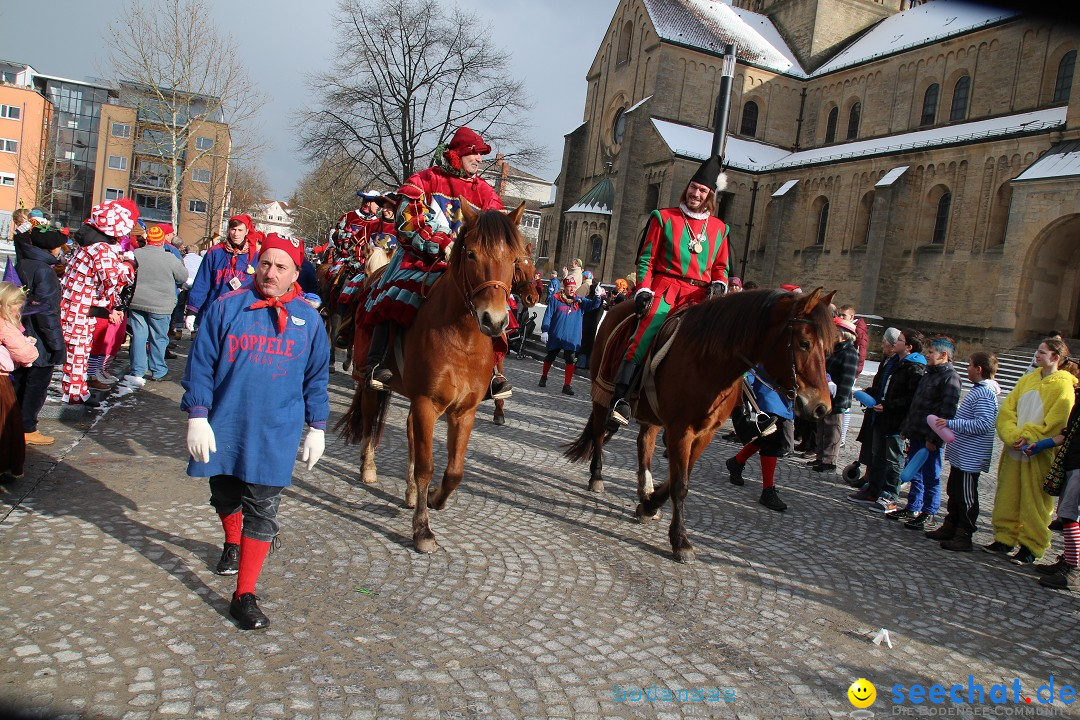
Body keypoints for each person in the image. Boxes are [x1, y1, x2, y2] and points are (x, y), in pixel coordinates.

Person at [181, 233, 329, 630]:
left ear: (296, 274)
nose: (271, 272)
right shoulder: (227, 307)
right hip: (227, 422)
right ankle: (232, 542)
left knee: (262, 509)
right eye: (265, 263)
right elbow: (201, 363)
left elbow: (316, 378)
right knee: (225, 494)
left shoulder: (310, 321)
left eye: (282, 267)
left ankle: (243, 594)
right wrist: (197, 413)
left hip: (276, 429)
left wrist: (317, 426)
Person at [360, 126, 511, 399]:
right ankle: (377, 362)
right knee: (395, 290)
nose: (478, 159)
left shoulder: (487, 193)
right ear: (456, 154)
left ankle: (493, 373)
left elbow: (498, 231)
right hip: (424, 258)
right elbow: (407, 221)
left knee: (497, 300)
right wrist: (441, 244)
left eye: (480, 155)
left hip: (468, 264)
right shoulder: (425, 180)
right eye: (473, 153)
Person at [610, 155, 731, 426]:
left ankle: (746, 408)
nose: (695, 193)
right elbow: (646, 260)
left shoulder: (720, 229)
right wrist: (643, 288)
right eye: (692, 187)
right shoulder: (663, 218)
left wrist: (720, 284)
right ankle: (621, 397)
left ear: (710, 194)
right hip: (666, 290)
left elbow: (721, 267)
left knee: (727, 341)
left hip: (701, 298)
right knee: (646, 331)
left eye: (702, 190)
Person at [986, 337, 1077, 565]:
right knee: (1008, 494)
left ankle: (1031, 545)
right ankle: (1005, 537)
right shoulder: (1026, 380)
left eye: (1041, 352)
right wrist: (1012, 435)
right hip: (1014, 450)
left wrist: (1030, 436)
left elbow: (1058, 423)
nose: (1036, 355)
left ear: (1055, 357)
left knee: (1034, 502)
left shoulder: (1063, 386)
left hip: (1038, 453)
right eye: (1036, 351)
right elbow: (1008, 411)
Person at [59, 199, 138, 405]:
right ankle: (75, 395)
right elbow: (112, 279)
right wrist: (129, 265)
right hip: (80, 308)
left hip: (79, 306)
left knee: (80, 353)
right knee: (78, 353)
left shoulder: (87, 245)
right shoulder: (100, 249)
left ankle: (76, 391)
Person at [925, 351, 1001, 551]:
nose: (967, 369)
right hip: (963, 454)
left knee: (966, 495)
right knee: (955, 491)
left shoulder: (985, 393)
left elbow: (984, 424)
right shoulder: (979, 391)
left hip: (971, 457)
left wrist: (951, 423)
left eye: (969, 365)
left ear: (979, 369)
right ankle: (951, 525)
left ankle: (964, 533)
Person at [895, 335, 962, 529]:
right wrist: (906, 429)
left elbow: (946, 412)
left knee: (930, 475)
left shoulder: (950, 378)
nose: (927, 355)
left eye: (931, 352)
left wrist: (934, 438)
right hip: (916, 432)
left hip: (930, 437)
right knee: (914, 472)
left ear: (944, 355)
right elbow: (917, 404)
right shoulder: (929, 373)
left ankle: (929, 511)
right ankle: (912, 506)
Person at [11, 223, 67, 446]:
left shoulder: (25, 262)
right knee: (36, 384)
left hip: (23, 332)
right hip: (38, 338)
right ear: (52, 248)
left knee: (22, 382)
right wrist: (56, 345)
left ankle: (17, 424)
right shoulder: (44, 271)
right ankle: (27, 427)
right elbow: (47, 311)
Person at [1027, 375, 1080, 590]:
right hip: (1073, 460)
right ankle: (1068, 560)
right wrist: (1044, 443)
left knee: (1070, 515)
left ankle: (1073, 569)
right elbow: (1068, 433)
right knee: (1067, 514)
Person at [871, 329, 927, 516]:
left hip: (897, 421)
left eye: (900, 340)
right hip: (884, 417)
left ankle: (891, 497)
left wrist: (888, 406)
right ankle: (877, 491)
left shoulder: (914, 368)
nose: (896, 342)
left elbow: (910, 398)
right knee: (879, 456)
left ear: (909, 347)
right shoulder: (896, 362)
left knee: (894, 460)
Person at [126, 223, 188, 385]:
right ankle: (158, 371)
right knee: (158, 338)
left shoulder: (137, 254)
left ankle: (137, 370)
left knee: (139, 336)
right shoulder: (169, 258)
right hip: (161, 305)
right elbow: (182, 276)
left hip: (137, 302)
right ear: (162, 241)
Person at [725, 368, 793, 512]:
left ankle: (737, 462)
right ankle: (768, 490)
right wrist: (745, 382)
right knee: (772, 440)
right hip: (768, 393)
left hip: (783, 394)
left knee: (766, 436)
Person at [847, 327, 901, 495]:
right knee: (871, 445)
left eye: (885, 343)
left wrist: (884, 401)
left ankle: (877, 484)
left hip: (884, 411)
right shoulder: (886, 360)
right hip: (875, 407)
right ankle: (869, 480)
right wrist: (870, 390)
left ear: (893, 346)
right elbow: (880, 384)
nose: (882, 346)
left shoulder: (897, 363)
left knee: (882, 452)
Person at [185, 214, 258, 329]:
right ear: (229, 230)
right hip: (214, 310)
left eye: (240, 230)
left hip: (241, 314)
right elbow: (202, 282)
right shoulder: (215, 252)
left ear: (246, 231)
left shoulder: (254, 256)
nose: (236, 233)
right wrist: (192, 310)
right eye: (233, 229)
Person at [538, 276, 604, 395]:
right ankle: (544, 376)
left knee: (570, 360)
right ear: (564, 288)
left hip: (571, 337)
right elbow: (548, 315)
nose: (572, 289)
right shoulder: (555, 298)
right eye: (570, 287)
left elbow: (593, 305)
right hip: (556, 335)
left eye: (574, 287)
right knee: (550, 357)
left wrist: (598, 296)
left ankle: (567, 385)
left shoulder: (579, 301)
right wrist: (545, 330)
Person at [1, 281, 40, 482]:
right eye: (17, 305)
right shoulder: (6, 325)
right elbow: (26, 355)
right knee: (7, 425)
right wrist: (29, 345)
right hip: (1, 381)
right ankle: (6, 464)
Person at [810, 317, 859, 472]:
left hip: (837, 399)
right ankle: (820, 457)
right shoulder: (833, 349)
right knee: (822, 428)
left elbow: (847, 380)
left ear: (843, 334)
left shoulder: (849, 353)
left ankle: (829, 460)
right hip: (825, 396)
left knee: (833, 429)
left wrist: (840, 402)